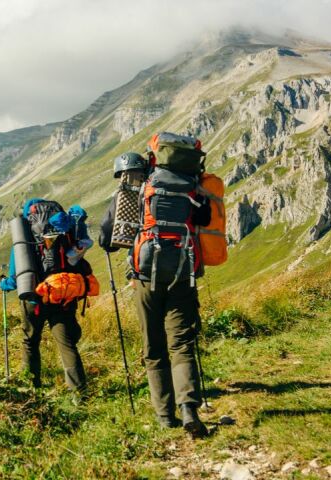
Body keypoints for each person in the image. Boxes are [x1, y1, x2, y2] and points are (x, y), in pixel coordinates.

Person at [98, 147, 213, 438]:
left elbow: (106, 239)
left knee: (154, 347)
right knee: (182, 344)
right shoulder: (184, 187)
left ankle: (165, 416)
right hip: (183, 274)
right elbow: (206, 219)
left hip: (145, 279)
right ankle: (188, 407)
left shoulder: (128, 196)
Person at [0, 199, 95, 401]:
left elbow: (15, 276)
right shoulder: (66, 231)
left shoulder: (25, 238)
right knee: (67, 344)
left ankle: (31, 389)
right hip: (61, 296)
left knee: (30, 341)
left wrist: (4, 284)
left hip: (34, 297)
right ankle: (79, 394)